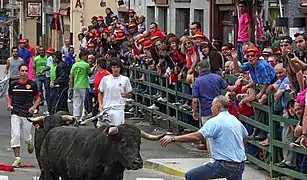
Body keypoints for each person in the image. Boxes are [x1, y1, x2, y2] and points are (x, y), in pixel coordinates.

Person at [160, 95, 248, 180]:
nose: (211, 108)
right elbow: (244, 137)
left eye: (212, 106)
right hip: (240, 165)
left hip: (224, 165)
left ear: (217, 107)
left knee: (191, 176)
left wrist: (173, 138)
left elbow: (196, 136)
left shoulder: (214, 122)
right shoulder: (235, 120)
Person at [7, 64, 40, 167]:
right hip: (15, 112)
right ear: (19, 72)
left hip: (27, 113)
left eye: (26, 71)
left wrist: (33, 108)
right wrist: (9, 105)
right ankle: (17, 158)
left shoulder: (33, 84)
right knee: (15, 135)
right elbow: (9, 96)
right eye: (22, 71)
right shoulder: (13, 84)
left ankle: (29, 142)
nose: (24, 73)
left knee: (26, 135)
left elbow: (38, 98)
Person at [97, 57, 132, 126]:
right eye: (114, 67)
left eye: (117, 67)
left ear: (120, 68)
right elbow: (100, 93)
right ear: (111, 68)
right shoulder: (105, 79)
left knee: (117, 130)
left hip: (119, 109)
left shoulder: (125, 79)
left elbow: (130, 94)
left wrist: (127, 95)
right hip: (106, 108)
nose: (116, 69)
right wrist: (100, 105)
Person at [70, 50, 92, 121]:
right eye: (86, 56)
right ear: (83, 56)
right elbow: (90, 74)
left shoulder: (74, 65)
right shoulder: (86, 65)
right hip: (84, 85)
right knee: (84, 102)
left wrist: (72, 86)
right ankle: (82, 117)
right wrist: (94, 68)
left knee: (76, 102)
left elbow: (71, 76)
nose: (87, 58)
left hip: (76, 85)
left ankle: (76, 117)